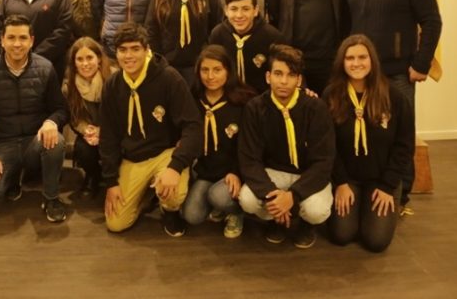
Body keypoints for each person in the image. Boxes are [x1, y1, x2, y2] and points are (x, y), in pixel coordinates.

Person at [346, 0, 442, 209]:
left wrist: (421, 64)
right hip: (360, 75)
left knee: (401, 133)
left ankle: (401, 197)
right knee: (368, 133)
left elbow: (432, 21)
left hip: (398, 72)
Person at [99, 23, 202, 237]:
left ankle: (169, 210)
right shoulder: (112, 85)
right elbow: (108, 136)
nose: (129, 56)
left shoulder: (169, 78)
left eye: (135, 49)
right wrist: (111, 182)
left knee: (174, 194)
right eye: (123, 50)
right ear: (116, 53)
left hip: (165, 153)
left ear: (147, 49)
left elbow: (193, 126)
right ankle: (147, 195)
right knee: (116, 224)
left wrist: (175, 167)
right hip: (133, 157)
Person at [323, 35, 414, 252]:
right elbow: (327, 146)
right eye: (350, 58)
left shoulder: (394, 96)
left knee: (376, 241)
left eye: (362, 57)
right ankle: (358, 208)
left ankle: (371, 209)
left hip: (381, 180)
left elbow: (404, 146)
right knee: (342, 235)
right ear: (342, 62)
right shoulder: (331, 95)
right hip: (348, 180)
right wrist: (341, 183)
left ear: (372, 59)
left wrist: (387, 186)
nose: (356, 63)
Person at [238, 44, 335, 248]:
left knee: (317, 211)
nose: (283, 81)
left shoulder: (316, 108)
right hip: (275, 172)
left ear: (299, 80)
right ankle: (276, 219)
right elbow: (249, 160)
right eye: (278, 74)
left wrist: (293, 196)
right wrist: (273, 196)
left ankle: (305, 225)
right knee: (247, 199)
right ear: (268, 77)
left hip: (306, 174)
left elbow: (324, 162)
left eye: (290, 75)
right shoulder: (255, 108)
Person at [0, 15, 69, 222]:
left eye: (23, 38)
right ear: (2, 40)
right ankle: (14, 176)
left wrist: (51, 122)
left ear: (31, 41)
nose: (17, 44)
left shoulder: (45, 68)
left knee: (56, 141)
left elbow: (60, 109)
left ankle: (51, 198)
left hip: (35, 141)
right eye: (11, 38)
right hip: (2, 144)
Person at [181, 45, 255, 237]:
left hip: (234, 171)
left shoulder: (243, 101)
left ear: (228, 71)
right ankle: (218, 204)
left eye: (217, 70)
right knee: (192, 215)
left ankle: (236, 213)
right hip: (207, 171)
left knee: (218, 196)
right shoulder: (193, 99)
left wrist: (237, 172)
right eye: (205, 70)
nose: (210, 76)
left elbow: (249, 144)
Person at [209, 0, 285, 94]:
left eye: (245, 9)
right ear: (226, 10)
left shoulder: (272, 37)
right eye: (234, 9)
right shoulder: (217, 34)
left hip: (262, 97)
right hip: (227, 96)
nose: (239, 15)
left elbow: (285, 70)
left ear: (255, 10)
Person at [62, 37, 112, 198]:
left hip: (114, 131)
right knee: (83, 150)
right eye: (80, 59)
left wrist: (104, 131)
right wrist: (86, 130)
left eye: (89, 57)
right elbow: (74, 118)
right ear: (74, 63)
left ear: (99, 59)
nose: (85, 64)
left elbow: (123, 114)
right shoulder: (69, 86)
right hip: (90, 132)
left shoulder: (114, 79)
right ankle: (93, 175)